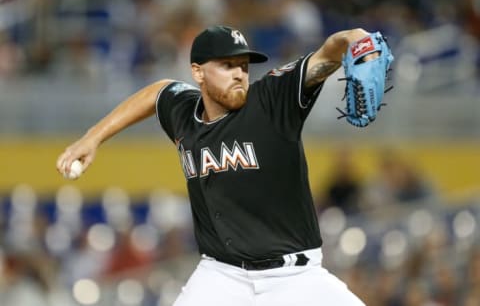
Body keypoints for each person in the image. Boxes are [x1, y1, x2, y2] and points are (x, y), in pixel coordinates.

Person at [57, 25, 380, 305]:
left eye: (243, 65)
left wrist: (357, 38)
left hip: (294, 277)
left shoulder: (272, 99)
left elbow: (327, 54)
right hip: (221, 276)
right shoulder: (183, 113)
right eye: (227, 65)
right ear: (198, 72)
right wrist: (93, 138)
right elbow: (156, 93)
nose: (240, 73)